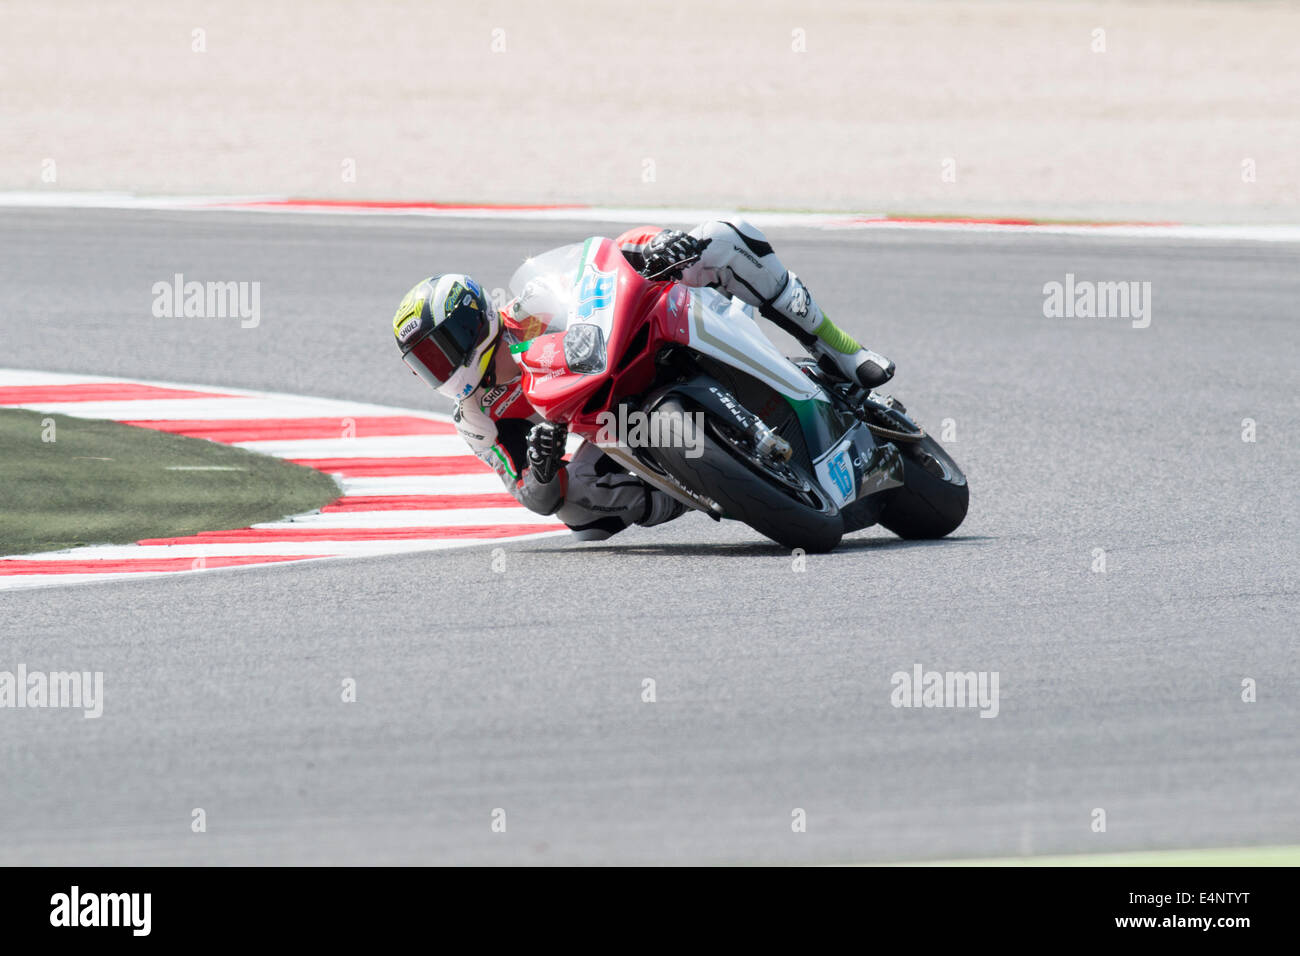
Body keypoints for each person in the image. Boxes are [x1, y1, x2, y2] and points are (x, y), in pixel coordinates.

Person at [391, 220, 894, 540]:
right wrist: (542, 468)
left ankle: (839, 348)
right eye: (422, 364)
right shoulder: (477, 418)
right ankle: (708, 484)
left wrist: (654, 246)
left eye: (437, 352)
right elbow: (533, 498)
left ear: (469, 324)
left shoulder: (533, 303)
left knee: (721, 235)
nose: (435, 369)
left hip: (651, 333)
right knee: (578, 512)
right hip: (611, 422)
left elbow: (607, 255)